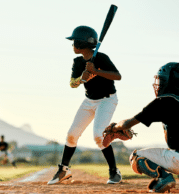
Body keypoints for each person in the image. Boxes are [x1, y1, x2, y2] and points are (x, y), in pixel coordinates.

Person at [104, 62, 179, 192]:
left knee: (136, 156)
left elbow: (127, 124)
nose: (159, 83)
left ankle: (164, 177)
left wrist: (115, 127)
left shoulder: (162, 102)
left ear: (169, 81)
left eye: (161, 79)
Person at [47, 26, 122, 185]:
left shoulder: (101, 58)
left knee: (98, 135)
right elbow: (72, 84)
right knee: (72, 134)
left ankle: (114, 172)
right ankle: (64, 170)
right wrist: (82, 78)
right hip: (89, 101)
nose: (72, 45)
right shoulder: (77, 62)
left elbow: (117, 76)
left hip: (107, 100)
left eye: (74, 42)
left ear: (82, 44)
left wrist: (97, 71)